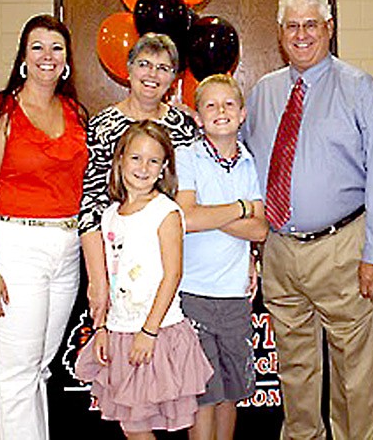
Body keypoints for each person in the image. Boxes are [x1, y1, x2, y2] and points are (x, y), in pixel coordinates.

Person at [243, 0, 373, 439]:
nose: (301, 35)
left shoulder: (359, 89)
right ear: (279, 34)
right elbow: (245, 165)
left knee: (353, 368)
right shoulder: (263, 93)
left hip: (342, 248)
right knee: (293, 366)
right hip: (279, 250)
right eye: (292, 26)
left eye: (311, 25)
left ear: (328, 29)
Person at [0, 14, 89, 439]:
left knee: (37, 370)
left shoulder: (74, 112)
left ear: (67, 59)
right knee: (16, 376)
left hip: (64, 249)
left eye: (56, 47)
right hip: (13, 247)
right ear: (23, 56)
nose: (47, 56)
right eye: (37, 47)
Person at [75, 121, 213, 439]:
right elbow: (109, 279)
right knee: (132, 426)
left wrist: (148, 332)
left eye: (153, 160)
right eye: (135, 158)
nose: (143, 167)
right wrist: (101, 329)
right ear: (120, 159)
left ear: (164, 167)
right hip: (120, 333)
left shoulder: (166, 212)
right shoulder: (109, 215)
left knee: (158, 423)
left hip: (157, 332)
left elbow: (172, 275)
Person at [79, 33, 198, 324]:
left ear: (173, 79)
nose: (152, 74)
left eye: (163, 68)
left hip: (177, 265)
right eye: (144, 64)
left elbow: (201, 196)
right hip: (120, 266)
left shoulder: (184, 127)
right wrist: (98, 280)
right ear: (129, 69)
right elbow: (90, 205)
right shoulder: (103, 127)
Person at [175, 74, 269, 440]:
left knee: (231, 391)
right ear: (198, 117)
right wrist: (241, 208)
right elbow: (187, 218)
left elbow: (260, 230)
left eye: (228, 104)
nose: (220, 111)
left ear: (242, 113)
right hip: (194, 293)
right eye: (210, 105)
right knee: (203, 393)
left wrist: (209, 214)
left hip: (234, 296)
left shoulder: (250, 162)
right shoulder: (187, 156)